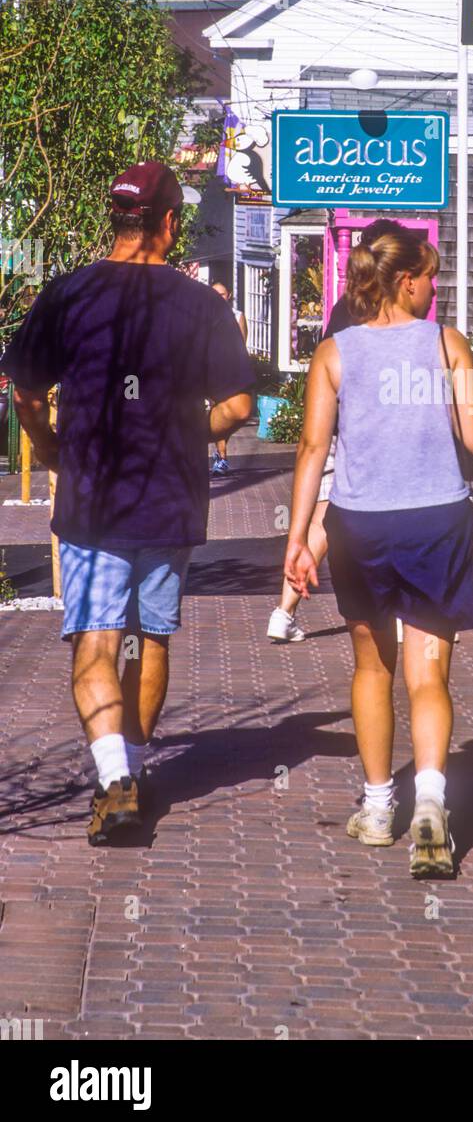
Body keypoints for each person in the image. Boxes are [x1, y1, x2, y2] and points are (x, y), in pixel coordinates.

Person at [0, 161, 255, 845]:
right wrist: (187, 430)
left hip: (93, 495)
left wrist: (52, 449)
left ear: (116, 220)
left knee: (97, 640)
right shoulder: (201, 305)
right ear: (169, 224)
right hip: (171, 496)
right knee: (149, 637)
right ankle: (133, 773)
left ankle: (112, 779)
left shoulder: (68, 295)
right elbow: (238, 406)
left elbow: (22, 390)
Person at [283, 230, 473, 877]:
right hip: (437, 520)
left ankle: (377, 809)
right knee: (428, 675)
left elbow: (313, 451)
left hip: (360, 524)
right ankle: (431, 805)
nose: (437, 287)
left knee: (372, 669)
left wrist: (297, 537)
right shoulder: (447, 343)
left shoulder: (333, 352)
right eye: (431, 275)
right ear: (407, 281)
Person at [266, 217, 410, 644]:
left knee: (325, 517)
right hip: (377, 429)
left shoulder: (344, 308)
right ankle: (400, 611)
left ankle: (283, 611)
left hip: (338, 425)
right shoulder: (396, 315)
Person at [210, 282, 249, 475]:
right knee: (218, 410)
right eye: (215, 293)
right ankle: (221, 455)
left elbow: (241, 344)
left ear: (230, 295)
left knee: (230, 412)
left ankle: (221, 455)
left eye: (222, 294)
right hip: (211, 369)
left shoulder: (237, 315)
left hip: (231, 370)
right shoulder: (205, 315)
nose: (218, 297)